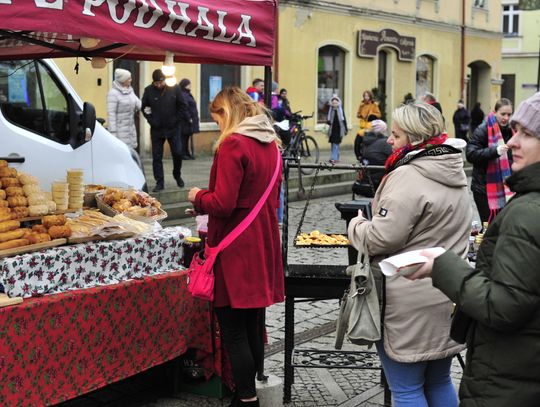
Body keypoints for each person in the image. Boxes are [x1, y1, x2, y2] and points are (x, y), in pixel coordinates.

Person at [407, 91, 540, 407]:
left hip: (508, 378)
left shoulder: (528, 212)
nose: (514, 141)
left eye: (528, 133)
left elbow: (504, 306)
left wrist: (443, 265)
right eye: (515, 129)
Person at [348, 102, 471, 407]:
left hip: (408, 299)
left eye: (397, 134)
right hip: (446, 294)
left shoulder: (408, 175)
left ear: (414, 139)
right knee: (439, 380)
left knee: (406, 390)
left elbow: (380, 238)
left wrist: (356, 226)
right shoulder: (453, 171)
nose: (390, 140)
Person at [187, 87, 284, 407]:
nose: (215, 125)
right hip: (262, 241)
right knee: (254, 323)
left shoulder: (233, 145)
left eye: (215, 117)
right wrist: (207, 205)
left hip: (236, 249)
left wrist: (198, 197)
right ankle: (251, 388)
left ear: (226, 113)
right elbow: (257, 198)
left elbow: (224, 203)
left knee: (234, 331)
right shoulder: (271, 145)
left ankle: (246, 398)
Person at [141, 69, 190, 192]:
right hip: (157, 129)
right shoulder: (149, 91)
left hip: (173, 128)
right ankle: (159, 182)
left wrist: (176, 119)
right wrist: (151, 120)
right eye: (156, 83)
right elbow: (145, 108)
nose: (158, 85)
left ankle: (177, 175)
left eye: (160, 82)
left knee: (177, 153)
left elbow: (183, 106)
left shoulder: (175, 88)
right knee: (157, 156)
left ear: (164, 80)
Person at [466, 98, 513, 223]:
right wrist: (495, 151)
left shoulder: (511, 131)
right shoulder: (483, 129)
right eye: (503, 114)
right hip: (484, 189)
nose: (506, 118)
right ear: (495, 112)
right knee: (489, 227)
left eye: (509, 114)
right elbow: (470, 154)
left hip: (505, 188)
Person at [352, 119, 392, 197]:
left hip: (364, 180)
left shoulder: (366, 139)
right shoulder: (384, 143)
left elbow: (358, 151)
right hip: (376, 182)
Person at [106, 68, 141, 150]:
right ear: (123, 80)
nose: (131, 80)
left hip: (130, 130)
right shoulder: (113, 94)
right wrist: (113, 133)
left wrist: (149, 106)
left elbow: (138, 104)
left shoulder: (130, 91)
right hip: (119, 132)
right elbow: (111, 115)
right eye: (128, 78)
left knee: (130, 152)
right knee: (122, 151)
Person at [179, 78, 200, 160]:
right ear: (185, 85)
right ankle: (183, 154)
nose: (190, 86)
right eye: (188, 84)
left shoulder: (187, 94)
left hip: (188, 121)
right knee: (183, 138)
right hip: (185, 121)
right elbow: (184, 108)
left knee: (187, 138)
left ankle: (187, 153)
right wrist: (189, 118)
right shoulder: (183, 95)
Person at [326, 95, 348, 163]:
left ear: (338, 103)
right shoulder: (330, 111)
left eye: (336, 103)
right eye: (333, 103)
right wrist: (328, 123)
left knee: (336, 144)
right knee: (334, 145)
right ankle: (336, 158)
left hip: (339, 130)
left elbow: (344, 120)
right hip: (332, 130)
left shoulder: (341, 111)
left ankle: (333, 158)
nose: (334, 104)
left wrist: (346, 129)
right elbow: (328, 120)